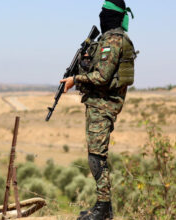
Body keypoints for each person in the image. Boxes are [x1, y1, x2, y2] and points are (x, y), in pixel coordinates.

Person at [60, 0, 135, 219]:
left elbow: (102, 77)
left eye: (103, 14)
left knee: (96, 156)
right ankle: (103, 207)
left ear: (109, 16)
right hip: (99, 104)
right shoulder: (110, 39)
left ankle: (103, 208)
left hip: (104, 106)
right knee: (95, 154)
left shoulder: (113, 40)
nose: (101, 17)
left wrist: (75, 79)